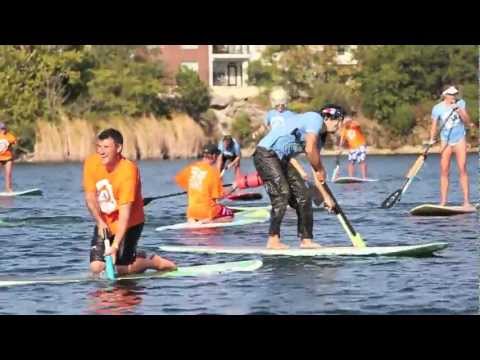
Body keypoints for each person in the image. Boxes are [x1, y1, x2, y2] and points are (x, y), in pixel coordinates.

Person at [83, 128, 176, 276]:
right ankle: (134, 254)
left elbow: (125, 215)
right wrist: (100, 222)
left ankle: (150, 262)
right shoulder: (92, 163)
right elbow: (90, 197)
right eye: (99, 147)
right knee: (96, 268)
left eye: (106, 147)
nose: (101, 152)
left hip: (130, 222)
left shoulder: (128, 172)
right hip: (105, 220)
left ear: (118, 148)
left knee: (117, 270)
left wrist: (115, 245)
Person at [253, 106, 343, 249]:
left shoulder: (319, 139)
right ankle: (273, 239)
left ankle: (306, 240)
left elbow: (316, 172)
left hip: (283, 159)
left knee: (304, 196)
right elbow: (309, 151)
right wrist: (321, 169)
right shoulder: (316, 119)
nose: (339, 125)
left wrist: (326, 197)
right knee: (282, 193)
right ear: (327, 118)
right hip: (266, 154)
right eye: (338, 120)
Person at [429, 85, 474, 210]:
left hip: (459, 138)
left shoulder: (461, 103)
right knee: (444, 171)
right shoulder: (437, 108)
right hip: (445, 141)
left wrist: (459, 110)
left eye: (455, 94)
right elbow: (434, 125)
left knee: (462, 168)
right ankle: (443, 202)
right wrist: (431, 139)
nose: (453, 96)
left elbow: (467, 121)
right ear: (445, 95)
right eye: (451, 94)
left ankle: (466, 202)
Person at [175, 143, 234, 223]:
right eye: (217, 156)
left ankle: (192, 220)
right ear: (213, 156)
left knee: (194, 211)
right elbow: (220, 196)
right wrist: (234, 187)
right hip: (207, 211)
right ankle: (208, 221)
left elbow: (179, 180)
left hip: (192, 211)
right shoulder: (213, 173)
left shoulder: (190, 168)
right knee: (230, 215)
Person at [337, 113, 368, 179]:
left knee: (362, 161)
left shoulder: (355, 126)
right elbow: (342, 139)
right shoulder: (344, 129)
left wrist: (350, 121)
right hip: (352, 148)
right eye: (344, 122)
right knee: (351, 162)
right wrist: (340, 147)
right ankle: (351, 177)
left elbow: (357, 124)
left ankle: (364, 177)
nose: (345, 123)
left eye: (347, 121)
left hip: (361, 146)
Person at [0, 121, 17, 193]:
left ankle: (8, 190)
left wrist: (12, 143)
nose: (3, 130)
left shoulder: (10, 136)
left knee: (8, 174)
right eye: (1, 129)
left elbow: (15, 142)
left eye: (4, 128)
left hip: (8, 158)